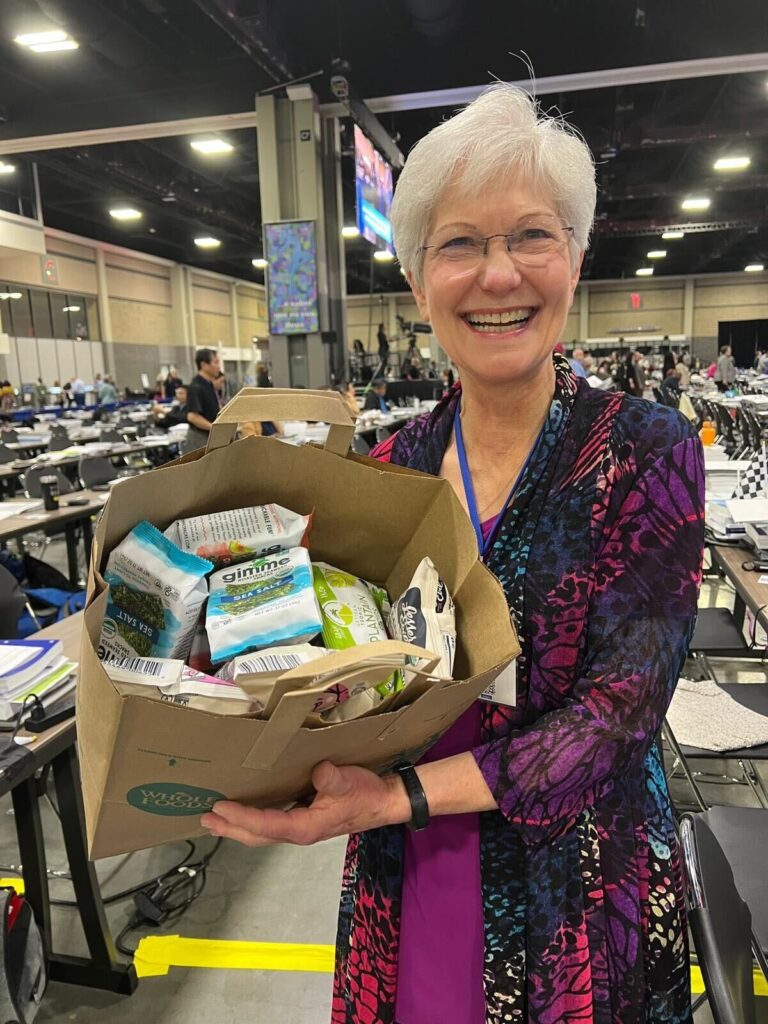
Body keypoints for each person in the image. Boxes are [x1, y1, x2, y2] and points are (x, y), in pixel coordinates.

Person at [200, 84, 704, 1024]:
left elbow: (620, 715)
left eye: (531, 236)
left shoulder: (647, 449)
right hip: (415, 874)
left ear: (577, 256)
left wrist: (391, 799)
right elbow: (344, 672)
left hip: (576, 889)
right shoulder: (391, 468)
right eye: (460, 243)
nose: (498, 275)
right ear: (419, 278)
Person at [184, 348, 221, 453]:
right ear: (204, 365)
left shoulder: (209, 384)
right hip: (199, 439)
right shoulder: (196, 386)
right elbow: (192, 417)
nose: (219, 367)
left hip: (209, 436)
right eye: (216, 362)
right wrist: (215, 429)